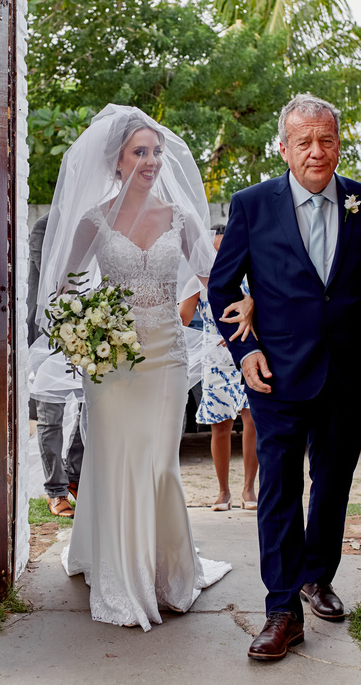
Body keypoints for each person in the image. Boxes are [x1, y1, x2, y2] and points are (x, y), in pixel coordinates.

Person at [31, 104, 251, 631]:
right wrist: (86, 328)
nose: (152, 160)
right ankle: (119, 576)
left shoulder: (181, 217)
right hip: (112, 364)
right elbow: (60, 286)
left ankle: (165, 571)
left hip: (167, 359)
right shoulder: (94, 220)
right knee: (113, 463)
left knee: (157, 466)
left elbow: (213, 276)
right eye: (140, 152)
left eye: (155, 151)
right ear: (117, 161)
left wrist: (250, 302)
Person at [208, 94, 361, 661]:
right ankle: (282, 608)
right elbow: (222, 287)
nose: (318, 151)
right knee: (280, 489)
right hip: (277, 376)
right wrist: (247, 352)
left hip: (347, 375)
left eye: (327, 140)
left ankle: (318, 576)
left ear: (339, 144)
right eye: (305, 142)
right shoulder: (252, 204)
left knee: (333, 484)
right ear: (284, 149)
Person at [178, 225, 258, 513]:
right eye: (214, 248)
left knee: (253, 421)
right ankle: (222, 492)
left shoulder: (252, 277)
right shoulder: (197, 283)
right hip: (216, 360)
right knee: (220, 425)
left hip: (250, 355)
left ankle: (249, 488)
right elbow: (181, 321)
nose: (218, 254)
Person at [27, 212, 83, 518]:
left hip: (92, 331)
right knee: (51, 414)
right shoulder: (45, 226)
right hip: (48, 334)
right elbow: (55, 281)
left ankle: (74, 475)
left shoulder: (99, 220)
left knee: (91, 408)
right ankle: (56, 491)